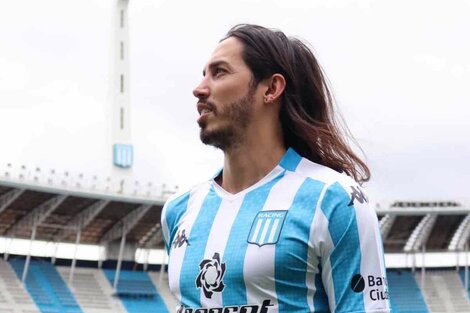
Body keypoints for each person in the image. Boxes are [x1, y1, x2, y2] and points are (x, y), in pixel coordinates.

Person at [161, 24, 390, 313]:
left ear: (271, 88)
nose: (199, 89)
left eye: (219, 72)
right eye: (203, 74)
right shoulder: (179, 210)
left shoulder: (334, 199)